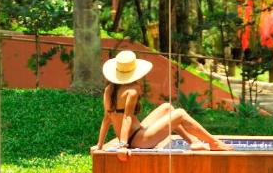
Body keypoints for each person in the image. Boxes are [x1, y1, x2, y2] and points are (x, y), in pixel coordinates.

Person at [93, 50, 231, 152]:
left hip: (134, 135)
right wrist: (123, 145)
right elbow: (127, 117)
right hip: (139, 140)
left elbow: (107, 118)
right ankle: (214, 142)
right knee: (180, 114)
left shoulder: (109, 90)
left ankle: (193, 141)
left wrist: (99, 145)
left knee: (167, 108)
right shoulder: (132, 90)